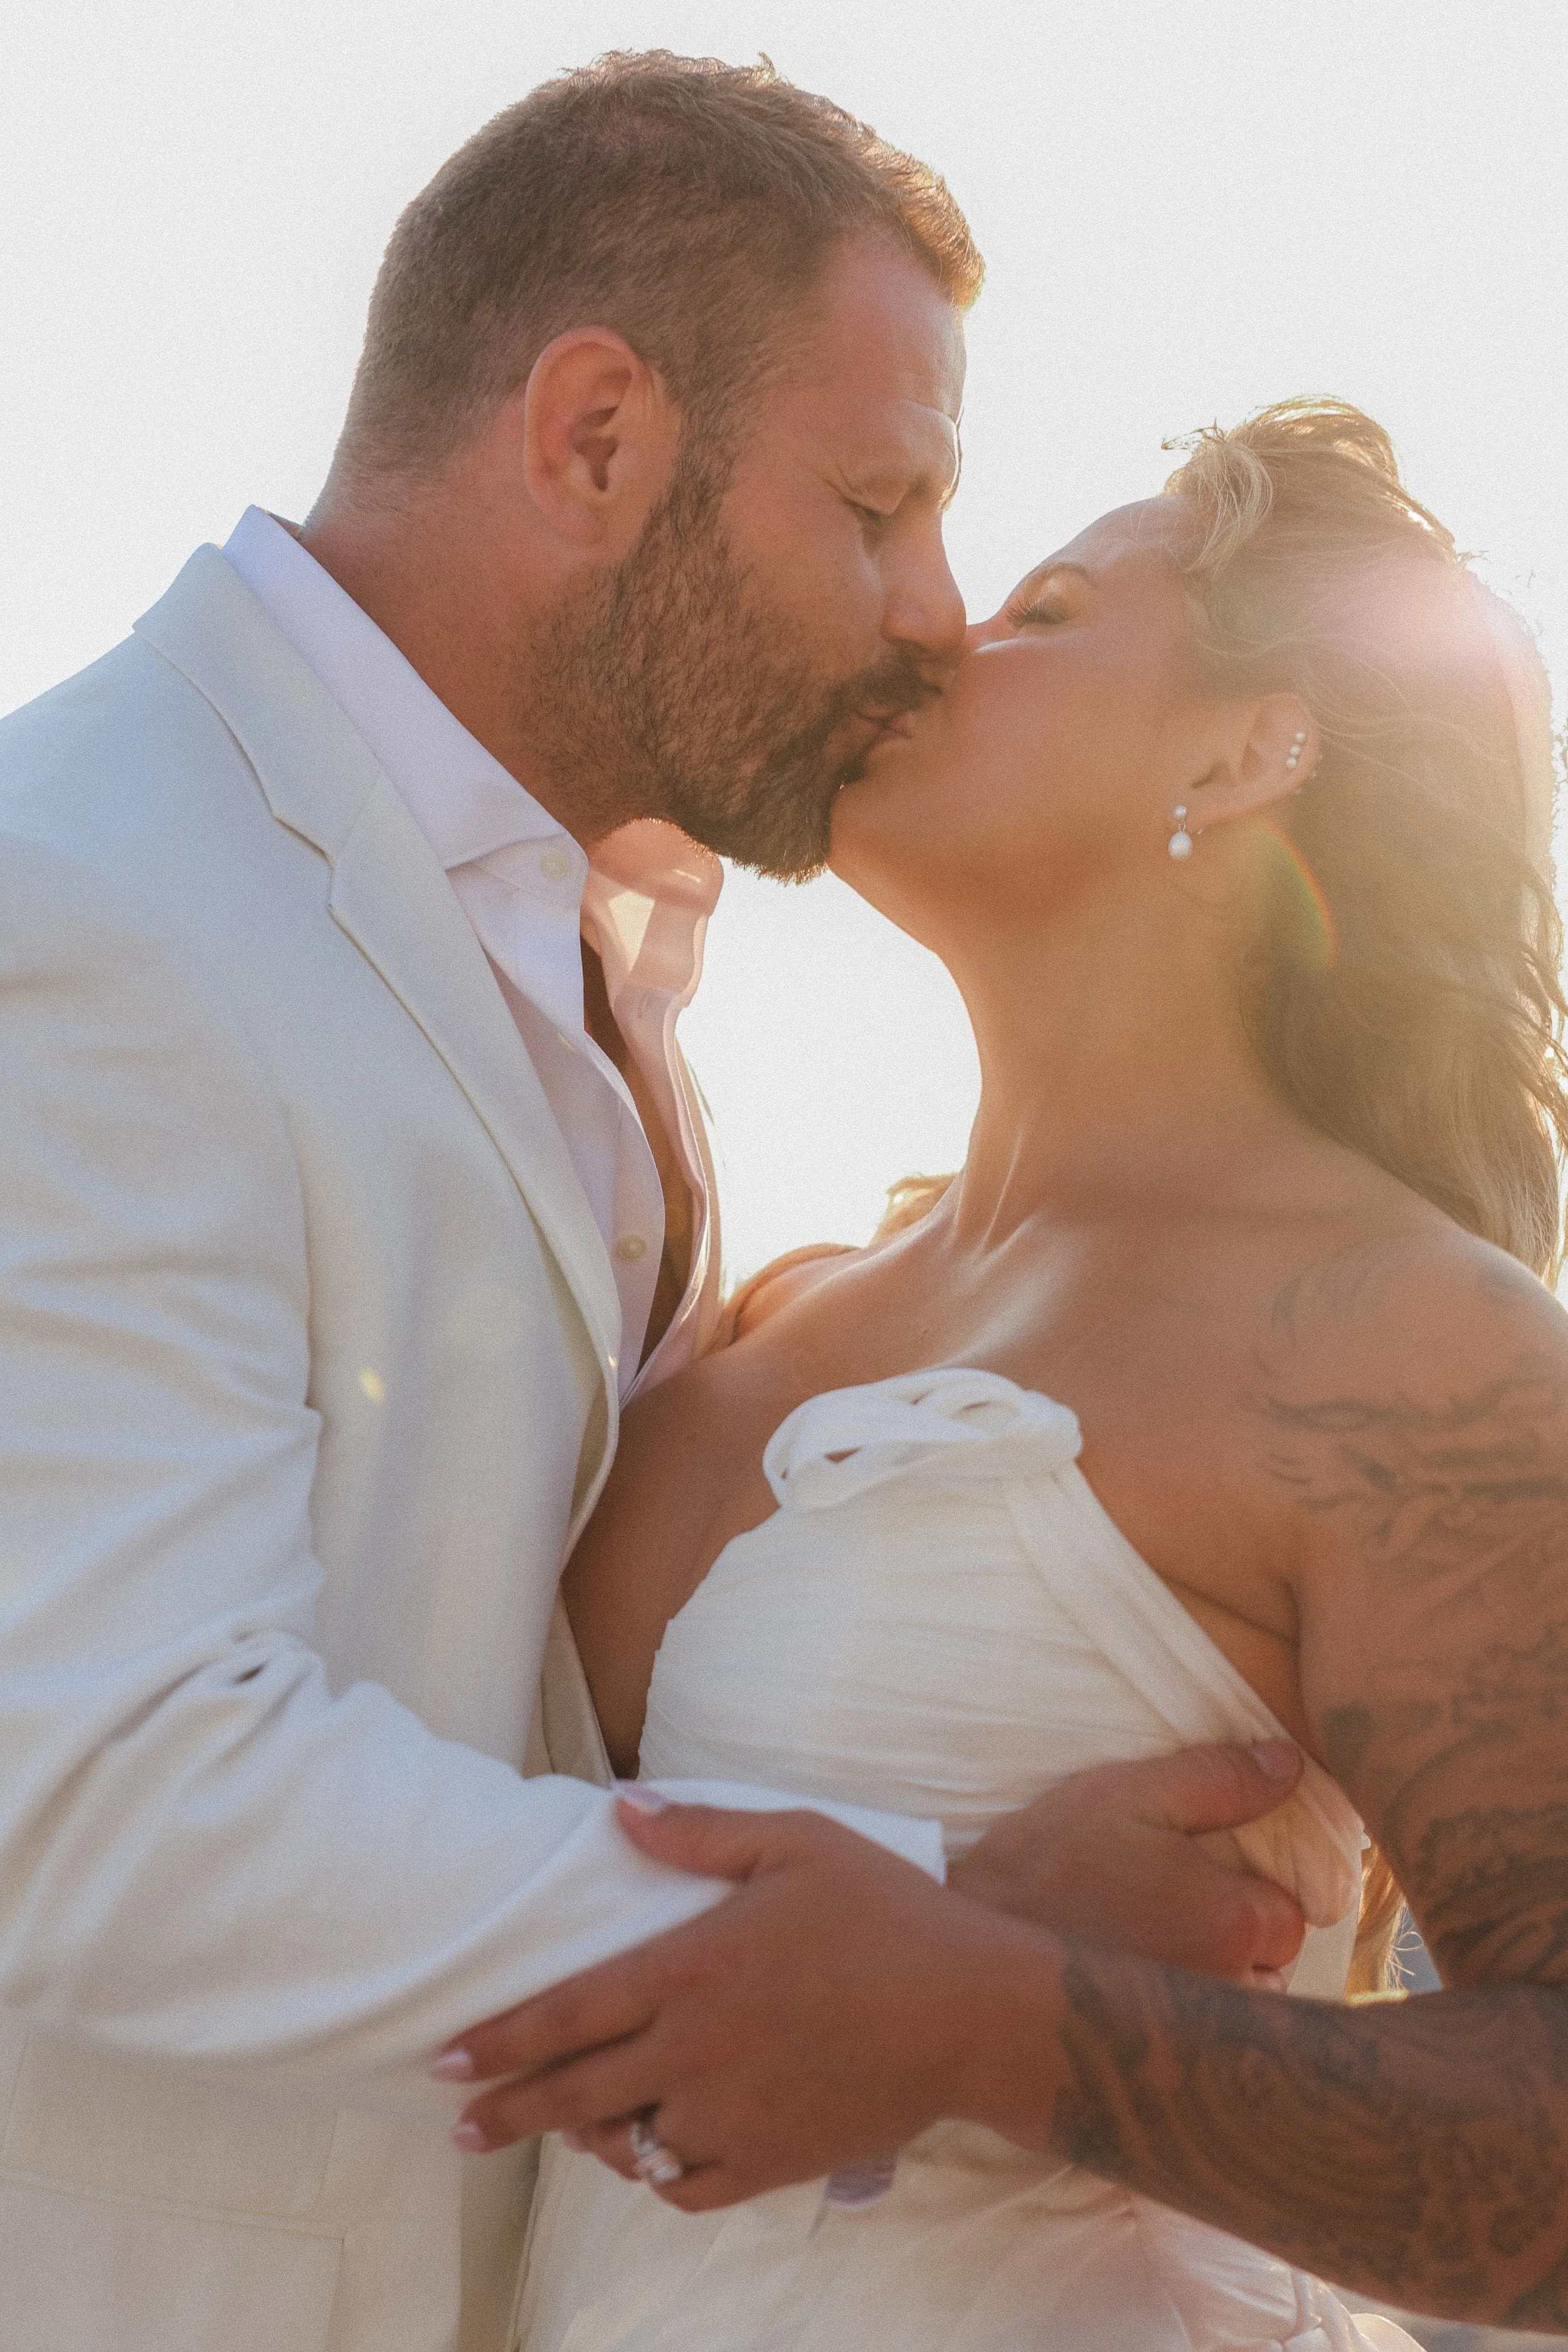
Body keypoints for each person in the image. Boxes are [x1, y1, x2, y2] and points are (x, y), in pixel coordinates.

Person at [0, 55, 1307, 2352]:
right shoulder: (85, 891)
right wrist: (933, 1932)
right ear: (597, 439)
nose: (930, 611)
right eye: (880, 505)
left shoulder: (571, 928)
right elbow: (100, 1784)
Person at [452, 403, 1568, 2349]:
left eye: (1048, 607)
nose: (940, 633)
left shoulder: (1405, 1347)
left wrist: (979, 2009)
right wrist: (958, 1899)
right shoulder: (758, 1306)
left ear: (1240, 752)